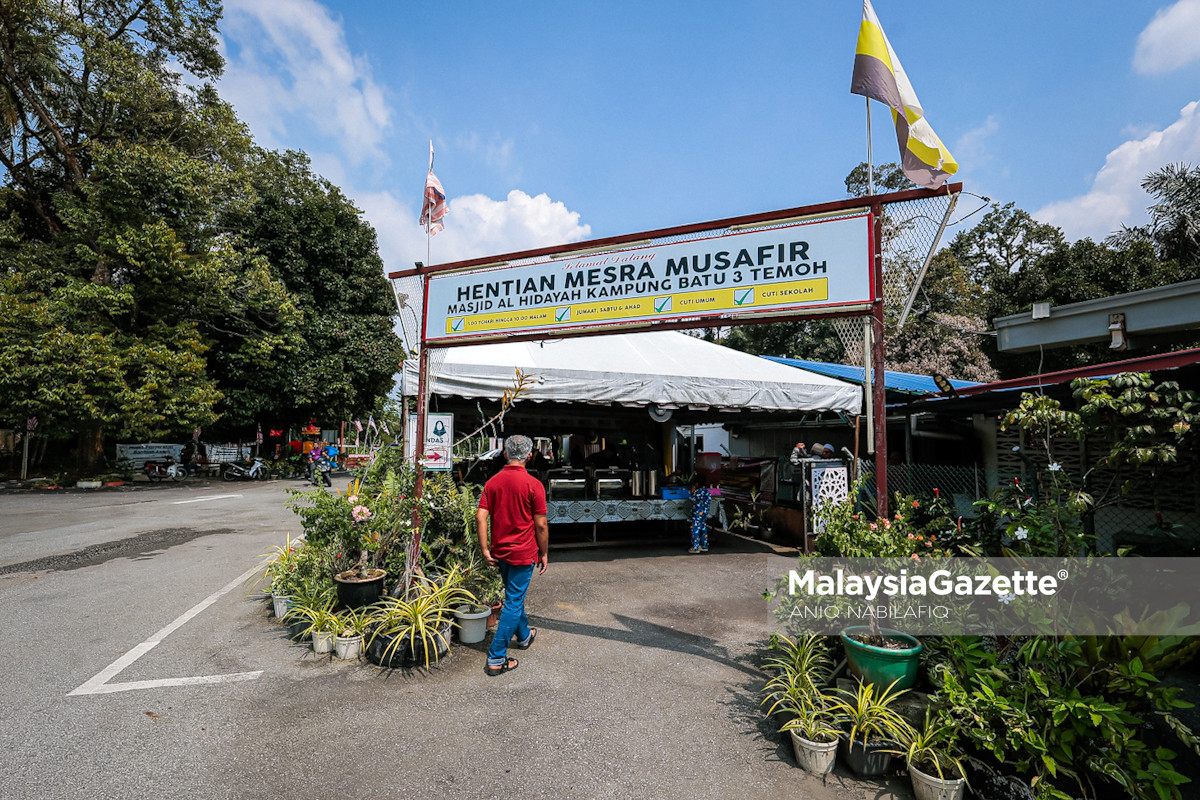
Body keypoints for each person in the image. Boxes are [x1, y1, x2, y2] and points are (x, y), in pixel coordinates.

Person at [476, 435, 549, 677]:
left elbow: (481, 516)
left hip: (500, 552)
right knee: (513, 602)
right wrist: (544, 552)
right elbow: (541, 525)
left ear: (505, 454)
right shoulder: (534, 484)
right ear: (529, 457)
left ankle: (525, 635)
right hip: (523, 552)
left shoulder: (492, 483)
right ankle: (497, 657)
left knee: (512, 597)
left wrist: (485, 549)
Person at [688, 475, 712, 554]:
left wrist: (691, 492)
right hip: (704, 513)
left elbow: (692, 499)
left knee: (695, 528)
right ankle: (704, 546)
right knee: (703, 528)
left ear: (697, 484)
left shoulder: (698, 492)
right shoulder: (706, 491)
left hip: (698, 513)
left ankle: (695, 547)